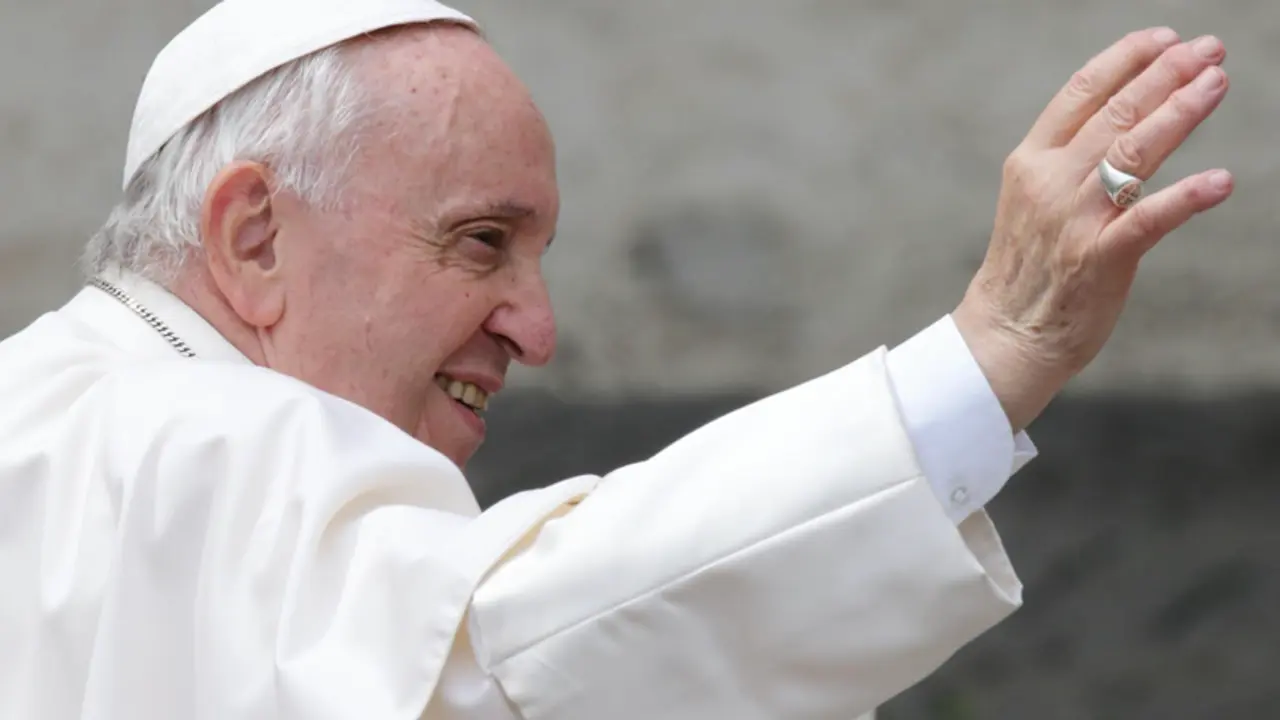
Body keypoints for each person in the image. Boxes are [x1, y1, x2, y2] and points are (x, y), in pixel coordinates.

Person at [0, 0, 1233, 718]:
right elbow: (515, 659)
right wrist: (994, 349)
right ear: (254, 238)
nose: (536, 331)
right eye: (479, 242)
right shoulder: (202, 446)